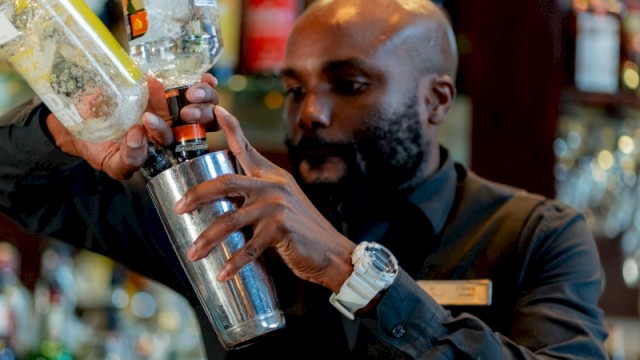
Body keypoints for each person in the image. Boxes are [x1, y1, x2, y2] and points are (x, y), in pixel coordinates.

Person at [0, 0, 608, 359]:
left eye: (349, 86)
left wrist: (353, 273)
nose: (309, 113)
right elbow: (14, 183)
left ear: (436, 99)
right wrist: (71, 127)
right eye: (294, 90)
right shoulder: (224, 214)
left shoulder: (537, 236)